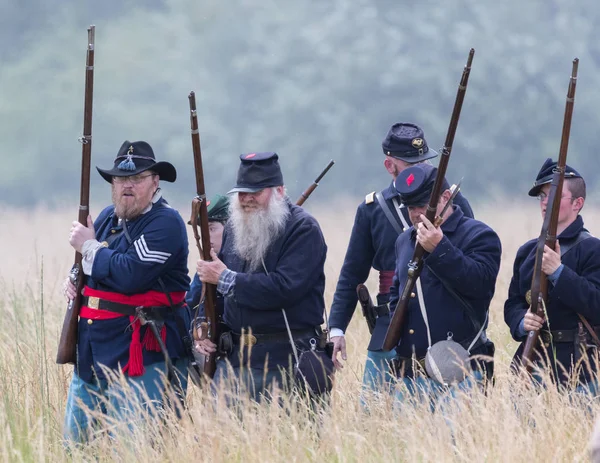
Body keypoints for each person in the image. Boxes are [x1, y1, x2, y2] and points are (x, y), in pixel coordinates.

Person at [328, 122, 474, 392]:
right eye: (410, 162)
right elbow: (352, 273)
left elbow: (471, 265)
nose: (420, 167)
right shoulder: (372, 210)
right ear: (390, 166)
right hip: (390, 327)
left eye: (423, 160)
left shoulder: (452, 201)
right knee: (373, 416)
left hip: (444, 328)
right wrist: (336, 329)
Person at [62, 140, 191, 443]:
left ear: (155, 182)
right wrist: (75, 277)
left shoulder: (166, 222)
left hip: (142, 350)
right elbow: (92, 268)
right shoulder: (108, 216)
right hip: (92, 348)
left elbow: (131, 274)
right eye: (121, 179)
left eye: (137, 178)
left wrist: (90, 247)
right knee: (76, 445)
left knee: (136, 449)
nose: (127, 186)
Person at [194, 152, 330, 400]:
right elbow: (214, 290)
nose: (247, 199)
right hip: (235, 361)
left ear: (279, 191)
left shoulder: (303, 229)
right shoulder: (234, 227)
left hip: (287, 360)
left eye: (255, 192)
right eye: (242, 192)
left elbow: (285, 287)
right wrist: (202, 325)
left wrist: (226, 279)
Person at [388, 163, 500, 401]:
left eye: (421, 205)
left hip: (461, 368)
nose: (415, 213)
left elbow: (478, 285)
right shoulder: (404, 241)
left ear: (446, 198)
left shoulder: (479, 235)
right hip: (411, 376)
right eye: (410, 206)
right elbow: (396, 295)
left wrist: (439, 248)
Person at [504, 158, 600, 390]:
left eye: (554, 196)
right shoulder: (528, 251)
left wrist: (559, 272)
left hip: (579, 369)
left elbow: (596, 304)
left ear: (577, 203)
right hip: (531, 365)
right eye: (542, 197)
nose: (545, 202)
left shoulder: (593, 249)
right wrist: (521, 322)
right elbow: (513, 303)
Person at [186, 194, 230, 311]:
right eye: (203, 230)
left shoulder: (243, 261)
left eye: (211, 229)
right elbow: (191, 303)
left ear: (229, 227)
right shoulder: (208, 263)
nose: (206, 236)